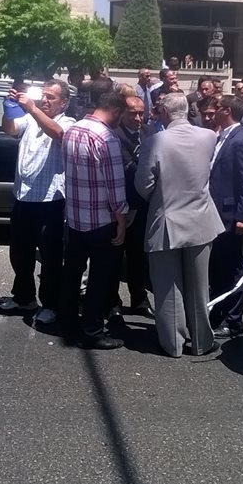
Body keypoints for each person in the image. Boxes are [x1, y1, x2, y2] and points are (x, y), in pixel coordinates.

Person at [135, 94, 225, 358]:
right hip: (201, 217)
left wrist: (158, 197)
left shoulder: (154, 141)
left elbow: (143, 185)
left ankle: (172, 343)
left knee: (167, 286)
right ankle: (201, 341)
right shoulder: (209, 136)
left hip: (167, 218)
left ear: (163, 112)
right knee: (199, 285)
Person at [0, 79, 75, 324]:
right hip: (23, 197)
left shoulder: (67, 122)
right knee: (20, 252)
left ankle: (51, 303)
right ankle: (24, 297)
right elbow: (10, 129)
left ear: (64, 102)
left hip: (50, 200)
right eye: (44, 95)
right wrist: (9, 109)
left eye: (51, 97)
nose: (45, 100)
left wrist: (32, 108)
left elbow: (59, 134)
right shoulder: (30, 119)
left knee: (50, 256)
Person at [59, 91, 128, 349]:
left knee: (72, 272)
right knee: (99, 278)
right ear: (116, 111)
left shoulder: (72, 130)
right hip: (101, 220)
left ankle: (67, 322)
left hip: (75, 217)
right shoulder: (107, 137)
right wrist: (121, 220)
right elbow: (115, 185)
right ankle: (92, 330)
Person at [208, 95, 243, 339]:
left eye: (216, 108)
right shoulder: (222, 136)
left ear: (227, 110)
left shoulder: (242, 140)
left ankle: (233, 320)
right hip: (216, 214)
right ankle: (218, 313)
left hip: (231, 216)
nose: (212, 111)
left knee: (232, 269)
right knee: (219, 268)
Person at [110, 94, 155, 319]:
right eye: (133, 113)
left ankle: (139, 300)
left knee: (138, 256)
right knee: (114, 257)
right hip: (118, 205)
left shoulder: (150, 133)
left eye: (141, 113)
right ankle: (112, 302)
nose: (138, 118)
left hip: (143, 206)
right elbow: (128, 169)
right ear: (121, 113)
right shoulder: (113, 135)